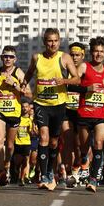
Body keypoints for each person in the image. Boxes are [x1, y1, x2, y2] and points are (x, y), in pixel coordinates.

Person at [22, 28, 79, 190]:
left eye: (55, 41)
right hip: (41, 104)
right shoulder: (37, 58)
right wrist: (24, 84)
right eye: (49, 41)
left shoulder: (65, 58)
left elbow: (77, 79)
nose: (52, 44)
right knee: (43, 138)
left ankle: (50, 170)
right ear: (44, 42)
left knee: (54, 142)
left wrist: (64, 82)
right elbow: (30, 72)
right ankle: (44, 175)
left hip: (59, 105)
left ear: (59, 41)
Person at [76, 36, 104, 193]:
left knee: (98, 143)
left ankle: (93, 179)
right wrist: (87, 89)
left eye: (101, 52)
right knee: (84, 146)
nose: (98, 54)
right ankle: (84, 159)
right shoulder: (84, 67)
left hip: (102, 113)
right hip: (84, 113)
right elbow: (72, 86)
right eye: (96, 51)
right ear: (91, 52)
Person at [0, 46, 30, 186]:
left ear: (15, 59)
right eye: (5, 56)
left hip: (14, 112)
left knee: (9, 145)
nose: (8, 59)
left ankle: (7, 163)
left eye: (11, 57)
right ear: (2, 57)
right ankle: (1, 171)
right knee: (0, 141)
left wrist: (14, 84)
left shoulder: (18, 72)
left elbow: (28, 93)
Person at [63, 42, 86, 188]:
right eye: (72, 55)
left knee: (79, 145)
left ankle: (79, 165)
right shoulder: (63, 71)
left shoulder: (86, 71)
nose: (74, 57)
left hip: (82, 111)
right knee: (67, 141)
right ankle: (69, 174)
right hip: (65, 111)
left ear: (83, 55)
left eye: (77, 55)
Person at [13, 101, 33, 186]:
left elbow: (32, 133)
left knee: (25, 160)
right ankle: (16, 170)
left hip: (27, 142)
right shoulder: (18, 119)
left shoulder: (30, 120)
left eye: (26, 107)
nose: (24, 108)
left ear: (29, 108)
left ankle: (21, 178)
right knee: (18, 162)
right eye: (23, 107)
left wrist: (32, 130)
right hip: (17, 142)